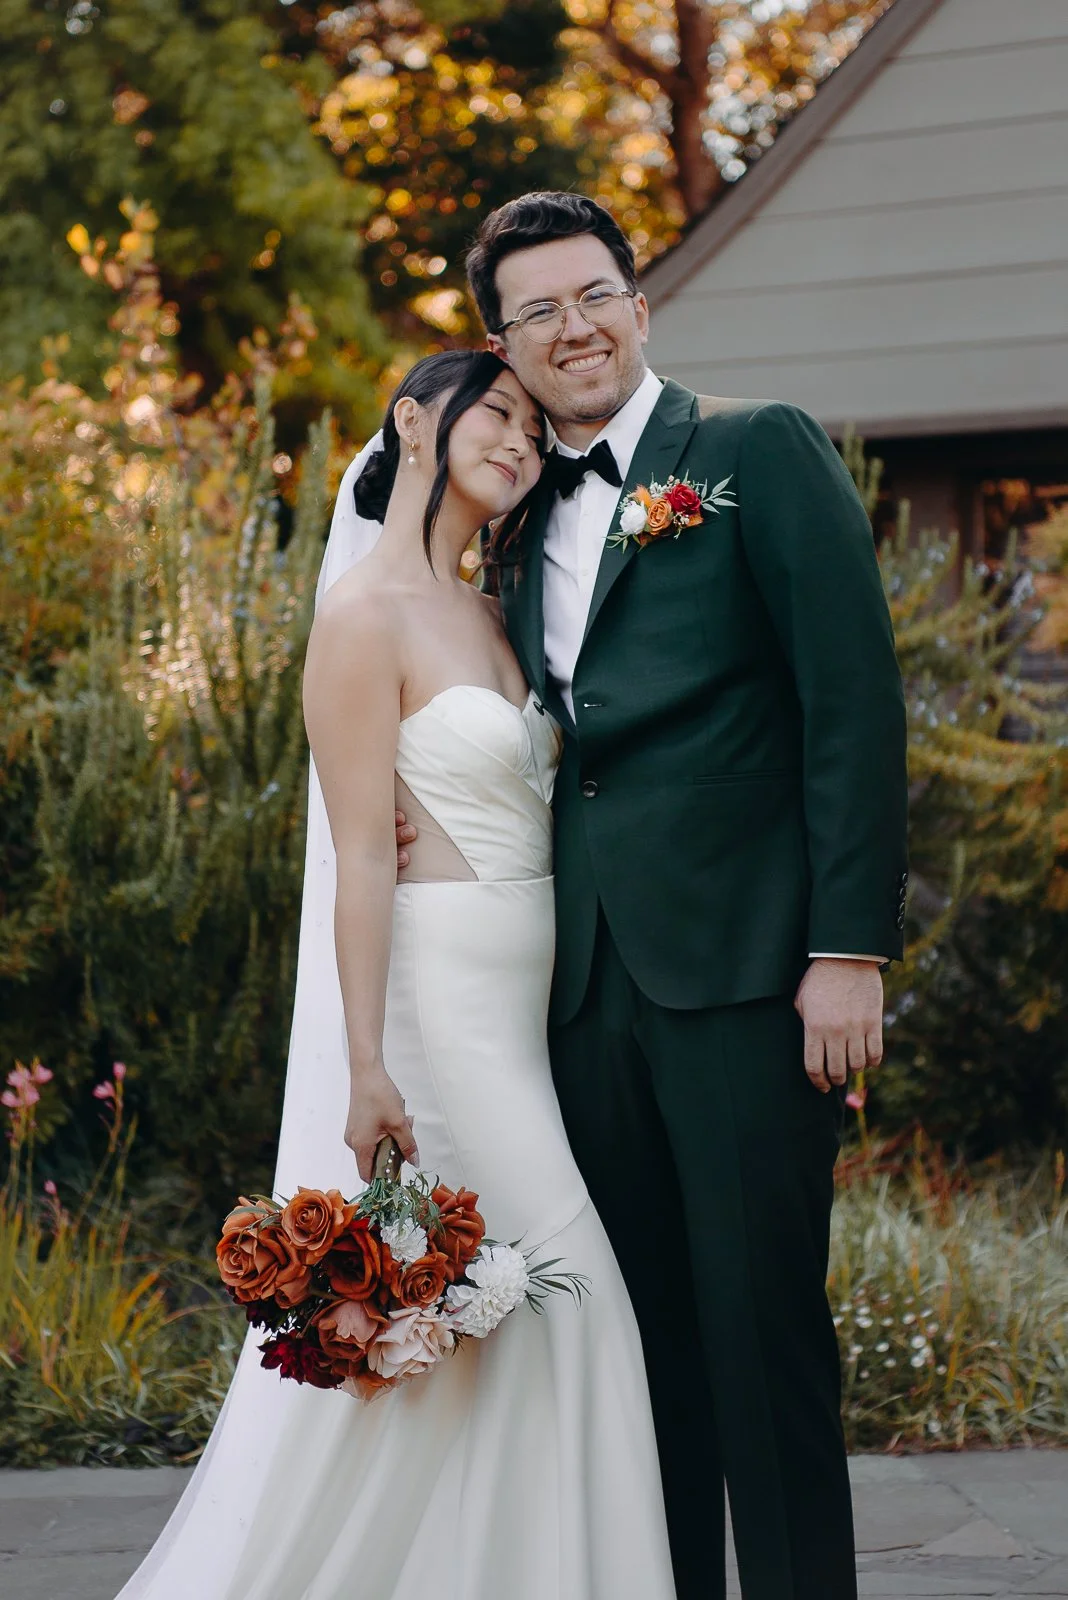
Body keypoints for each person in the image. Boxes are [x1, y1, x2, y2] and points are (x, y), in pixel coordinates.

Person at [396, 192, 910, 1599]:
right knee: (637, 1362)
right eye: (538, 310)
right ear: (503, 340)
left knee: (763, 1342)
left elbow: (850, 709)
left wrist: (848, 947)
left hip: (746, 979)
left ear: (642, 302)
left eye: (595, 294)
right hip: (574, 1000)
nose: (574, 328)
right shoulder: (505, 513)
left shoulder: (751, 451)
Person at [114, 349, 676, 1600]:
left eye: (539, 427)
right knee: (560, 1295)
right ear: (415, 421)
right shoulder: (360, 615)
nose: (525, 442)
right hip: (441, 1010)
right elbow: (362, 850)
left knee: (492, 1317)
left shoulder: (496, 607)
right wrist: (368, 1066)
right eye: (501, 413)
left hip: (539, 1003)